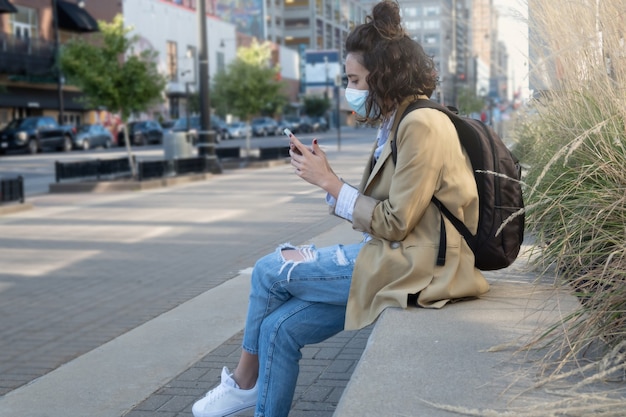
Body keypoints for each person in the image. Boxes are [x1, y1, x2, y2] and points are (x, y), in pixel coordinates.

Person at [191, 1, 489, 416]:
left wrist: (330, 183)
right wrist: (330, 181)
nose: (349, 89)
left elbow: (397, 222)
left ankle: (244, 382)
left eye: (354, 79)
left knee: (268, 270)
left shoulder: (421, 124)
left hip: (422, 267)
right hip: (394, 255)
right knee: (278, 329)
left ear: (383, 75)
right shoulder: (396, 122)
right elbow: (385, 212)